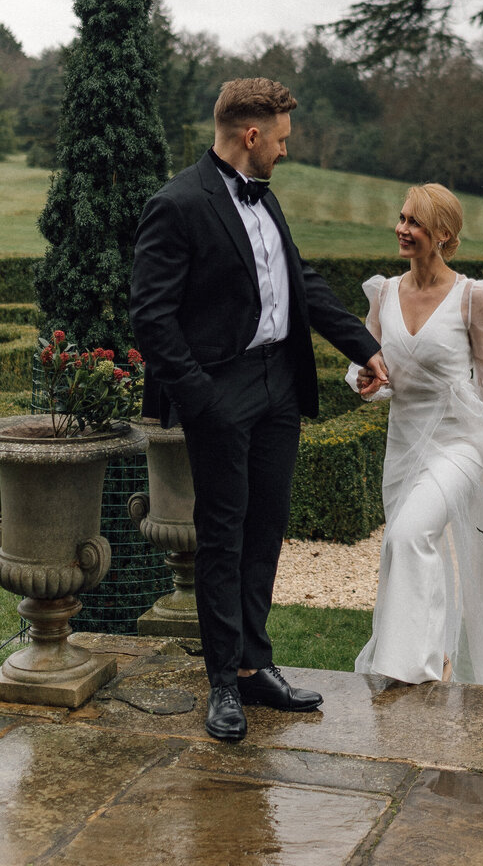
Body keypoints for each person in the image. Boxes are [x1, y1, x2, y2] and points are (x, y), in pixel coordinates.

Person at [130, 77, 387, 742]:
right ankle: (222, 686)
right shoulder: (177, 204)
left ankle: (254, 667)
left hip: (279, 386)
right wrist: (203, 400)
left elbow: (299, 282)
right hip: (221, 391)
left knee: (265, 527)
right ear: (251, 136)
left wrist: (364, 347)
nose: (283, 150)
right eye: (279, 139)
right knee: (222, 535)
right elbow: (152, 320)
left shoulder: (266, 202)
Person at [349, 183, 483, 688]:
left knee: (411, 534)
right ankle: (431, 659)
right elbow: (369, 369)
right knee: (401, 543)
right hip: (404, 442)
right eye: (402, 217)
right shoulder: (383, 292)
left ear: (443, 235)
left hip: (461, 441)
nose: (401, 228)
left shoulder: (474, 297)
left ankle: (426, 667)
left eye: (414, 223)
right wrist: (366, 383)